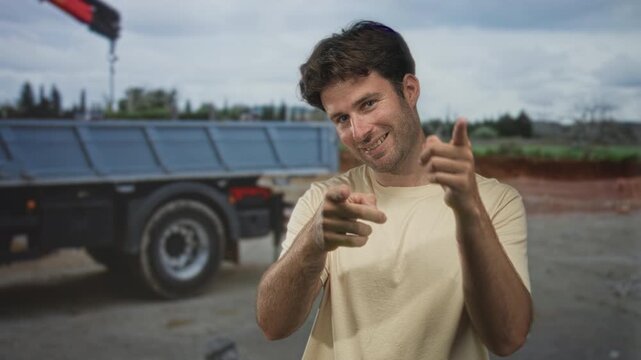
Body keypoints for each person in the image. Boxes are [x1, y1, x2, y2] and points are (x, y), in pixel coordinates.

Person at [256, 20, 532, 360]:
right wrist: (313, 242)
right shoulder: (324, 202)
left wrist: (470, 212)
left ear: (410, 90)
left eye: (368, 104)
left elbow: (507, 338)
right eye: (341, 119)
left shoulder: (495, 201)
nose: (358, 132)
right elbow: (273, 325)